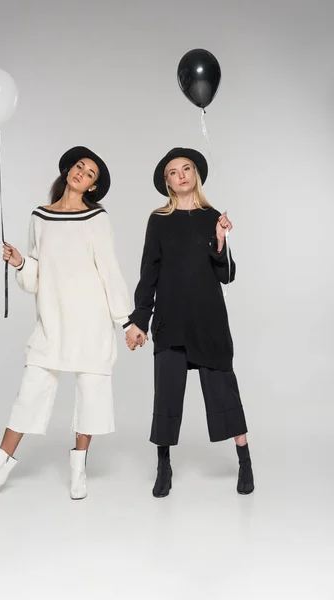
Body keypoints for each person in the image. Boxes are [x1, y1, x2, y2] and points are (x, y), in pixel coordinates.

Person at [0, 146, 131, 498]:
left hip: (91, 320)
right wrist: (21, 262)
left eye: (90, 173)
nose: (82, 172)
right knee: (30, 392)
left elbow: (109, 271)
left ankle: (79, 468)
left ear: (93, 187)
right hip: (53, 319)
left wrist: (126, 322)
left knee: (90, 395)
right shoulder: (40, 216)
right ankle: (0, 463)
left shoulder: (97, 219)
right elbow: (37, 276)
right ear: (68, 170)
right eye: (79, 165)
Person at [125, 147, 254, 497]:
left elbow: (227, 275)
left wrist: (222, 240)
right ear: (166, 182)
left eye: (186, 168)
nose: (180, 175)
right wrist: (138, 320)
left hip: (208, 318)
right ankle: (163, 464)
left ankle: (244, 458)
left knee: (222, 387)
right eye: (172, 171)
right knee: (166, 393)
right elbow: (148, 273)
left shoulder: (212, 216)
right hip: (170, 319)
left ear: (195, 174)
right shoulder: (158, 220)